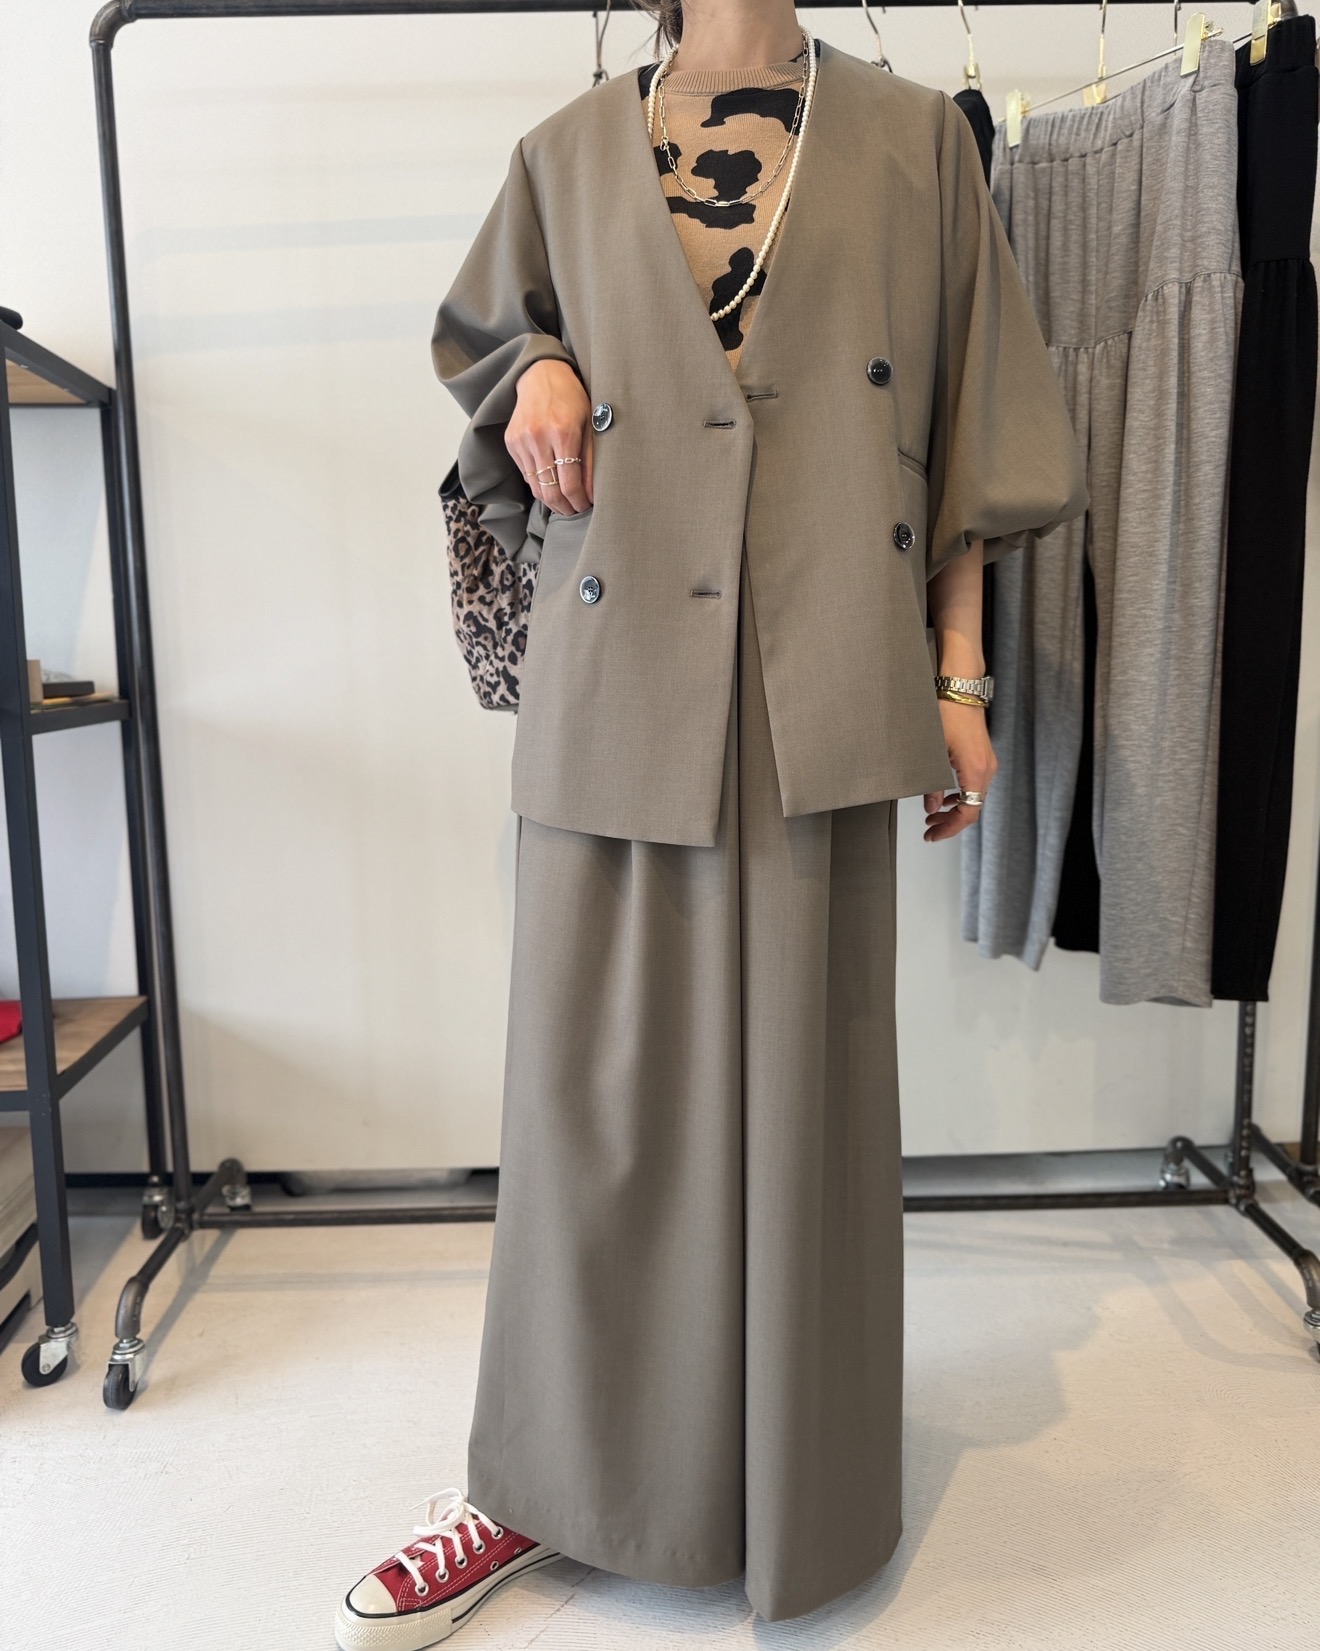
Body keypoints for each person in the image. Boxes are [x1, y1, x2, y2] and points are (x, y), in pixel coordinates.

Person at [335, 2, 1087, 1645]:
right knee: (590, 1102)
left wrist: (961, 677)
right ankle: (533, 1478)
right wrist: (534, 364)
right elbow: (488, 354)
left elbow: (965, 419)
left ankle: (797, 1489)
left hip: (824, 663)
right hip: (616, 671)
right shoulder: (561, 156)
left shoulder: (915, 141)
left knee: (807, 1103)